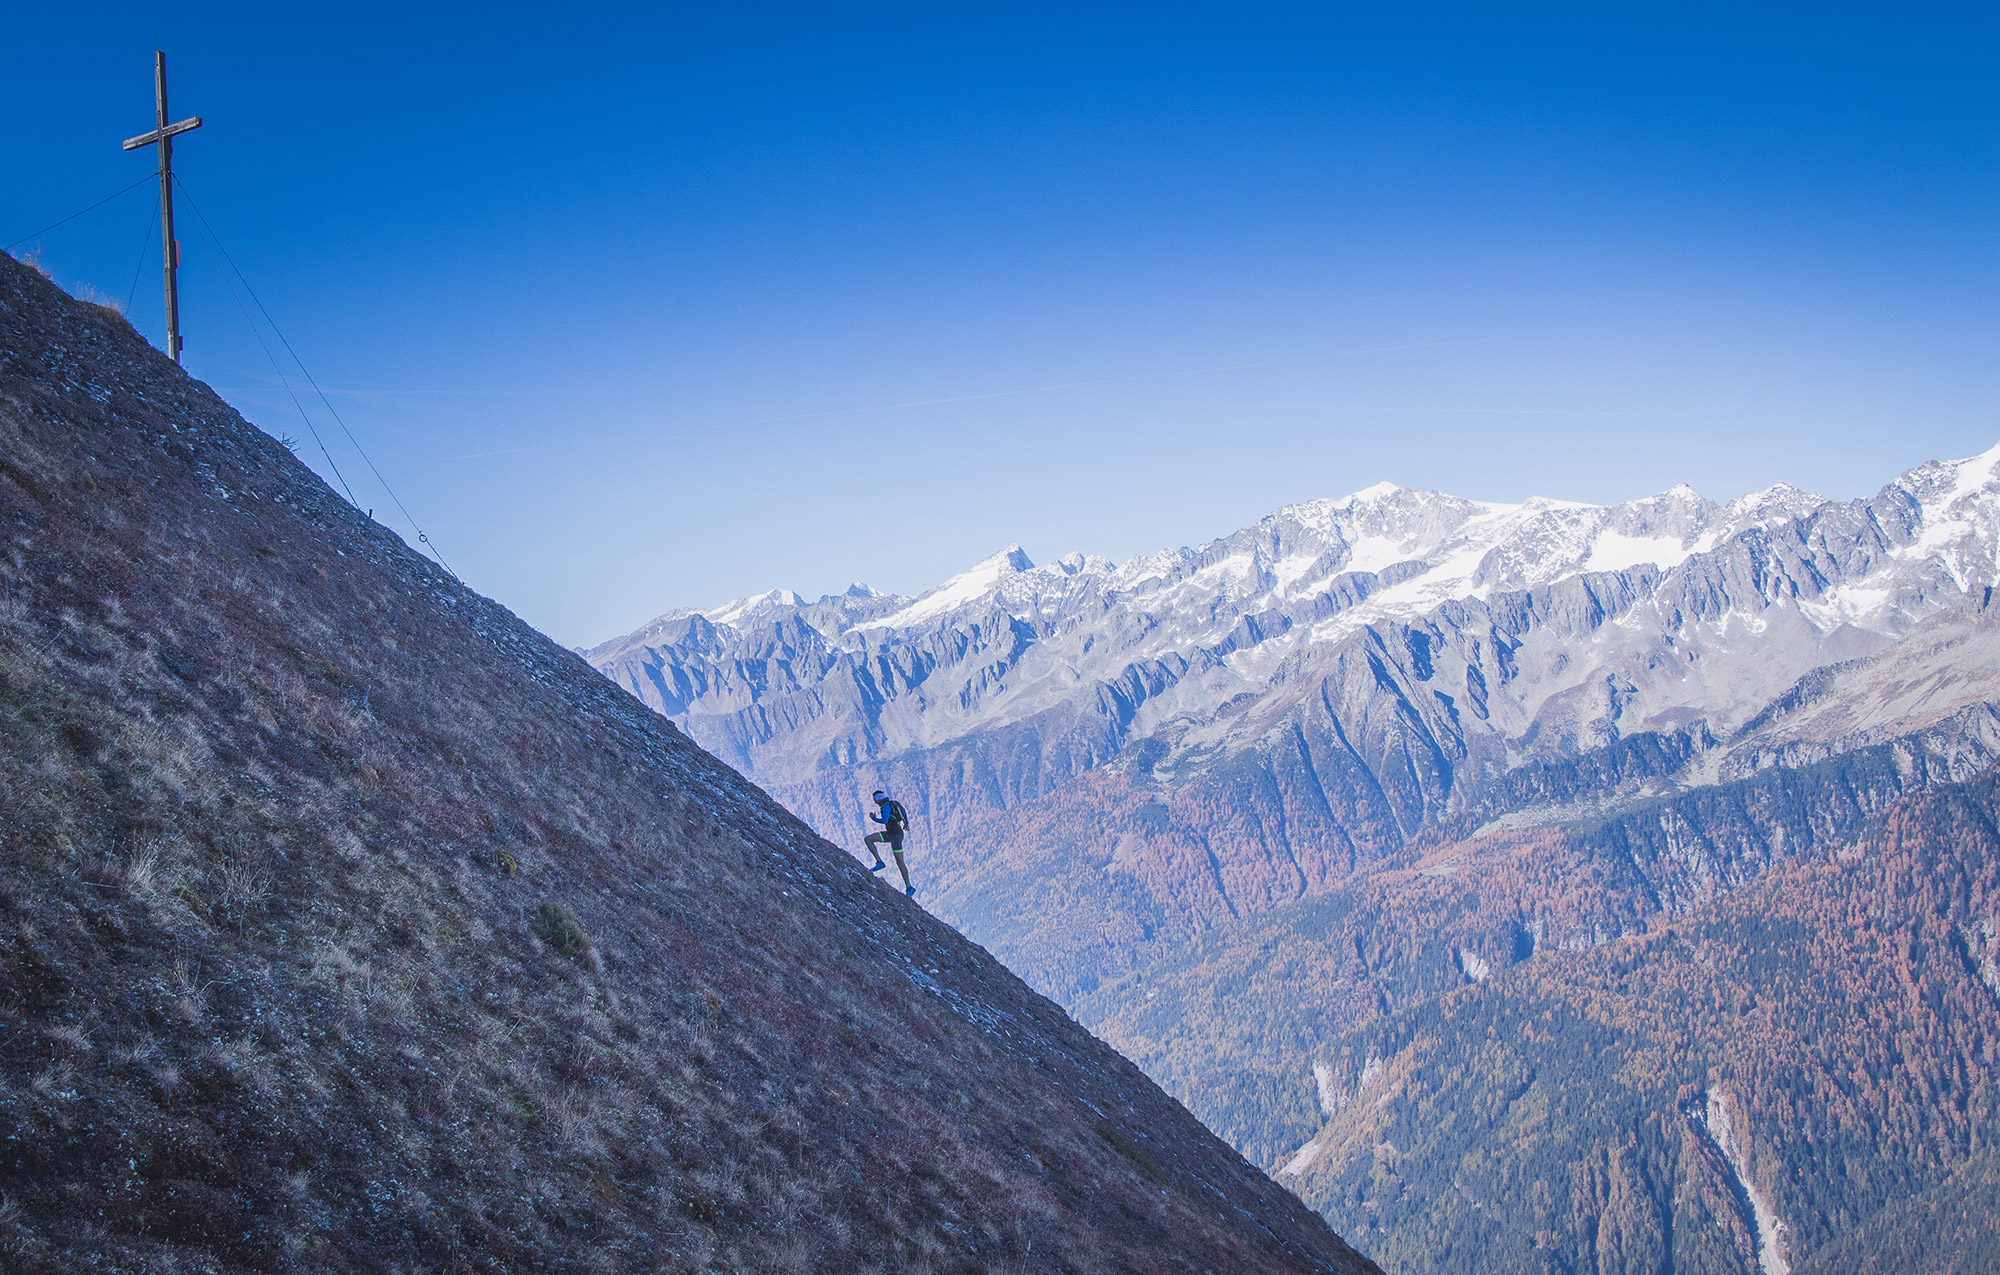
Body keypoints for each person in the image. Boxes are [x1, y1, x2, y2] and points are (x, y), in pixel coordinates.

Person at [864, 789, 915, 896]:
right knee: (868, 839)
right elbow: (903, 811)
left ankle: (909, 887)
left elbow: (885, 820)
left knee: (900, 862)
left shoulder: (886, 807)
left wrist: (874, 818)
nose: (874, 802)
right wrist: (906, 822)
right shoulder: (893, 804)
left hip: (895, 835)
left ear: (878, 799)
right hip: (893, 833)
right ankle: (879, 862)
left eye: (875, 800)